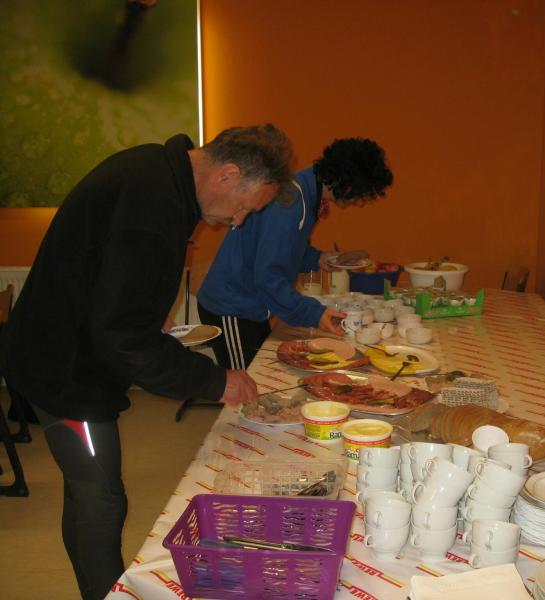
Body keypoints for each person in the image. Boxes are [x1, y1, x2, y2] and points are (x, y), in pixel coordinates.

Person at [0, 124, 294, 599]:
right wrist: (215, 380)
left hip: (62, 346)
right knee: (101, 499)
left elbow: (112, 283)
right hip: (65, 370)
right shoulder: (153, 207)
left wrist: (147, 312)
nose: (238, 220)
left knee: (86, 490)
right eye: (244, 206)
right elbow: (124, 339)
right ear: (227, 174)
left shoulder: (156, 171)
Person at [197, 137, 393, 370]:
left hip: (249, 304)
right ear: (349, 184)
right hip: (231, 306)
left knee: (256, 374)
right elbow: (269, 276)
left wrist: (317, 258)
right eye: (362, 195)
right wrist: (315, 313)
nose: (358, 203)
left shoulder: (306, 189)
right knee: (244, 381)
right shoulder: (292, 201)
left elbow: (283, 249)